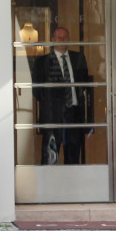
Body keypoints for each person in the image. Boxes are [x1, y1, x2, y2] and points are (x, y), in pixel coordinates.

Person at [34, 27, 92, 165]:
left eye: (65, 37)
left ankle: (71, 185)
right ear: (53, 40)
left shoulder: (78, 58)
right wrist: (51, 105)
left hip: (73, 114)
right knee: (50, 156)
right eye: (59, 37)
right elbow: (37, 90)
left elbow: (84, 84)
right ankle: (50, 185)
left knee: (73, 156)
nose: (62, 40)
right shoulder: (42, 62)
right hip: (53, 116)